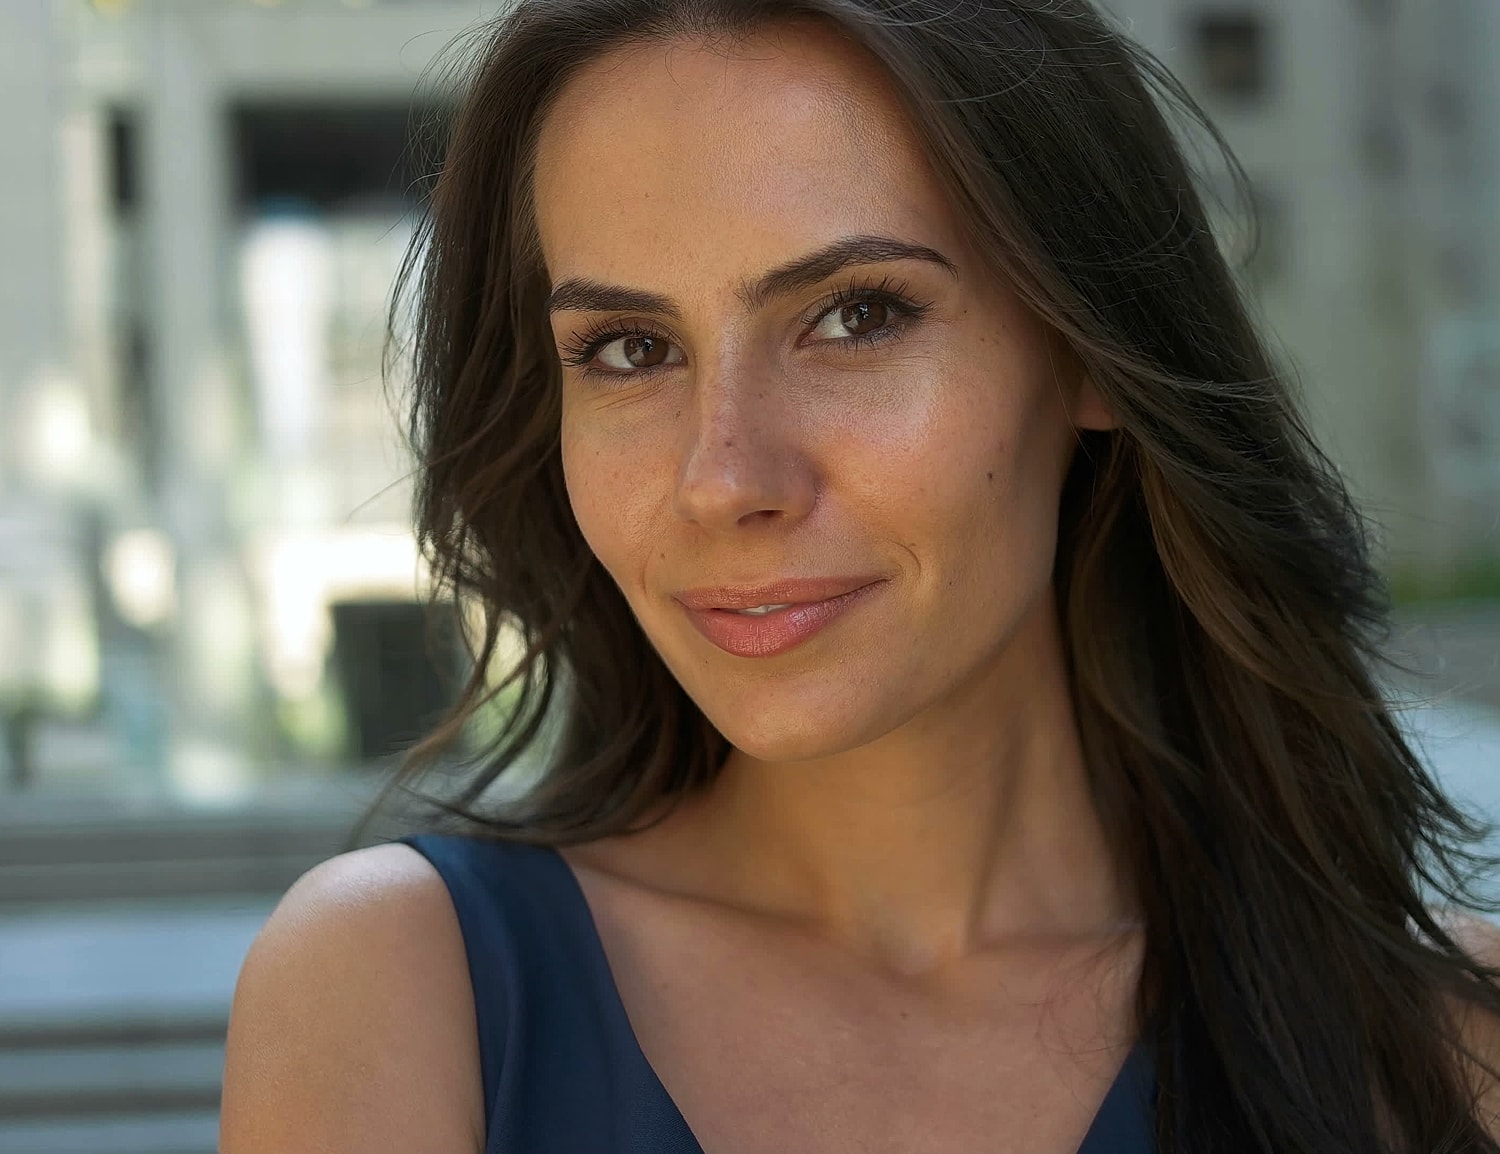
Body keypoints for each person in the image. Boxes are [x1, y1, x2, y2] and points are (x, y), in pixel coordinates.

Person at [218, 2, 1500, 1151]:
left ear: (1088, 345)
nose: (724, 477)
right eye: (626, 347)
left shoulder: (1445, 1058)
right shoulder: (405, 989)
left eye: (857, 315)